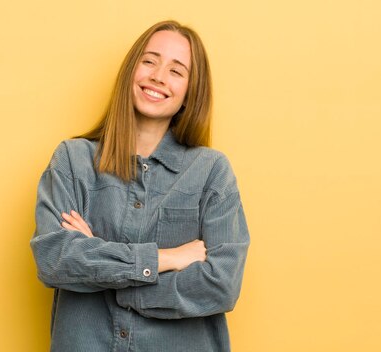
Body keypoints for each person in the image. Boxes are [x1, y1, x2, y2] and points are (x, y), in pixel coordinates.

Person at [30, 20, 249, 352]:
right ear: (130, 71)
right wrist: (166, 258)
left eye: (177, 71)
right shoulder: (73, 161)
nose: (158, 76)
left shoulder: (211, 172)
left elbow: (221, 284)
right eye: (149, 61)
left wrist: (104, 272)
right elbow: (55, 259)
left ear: (191, 92)